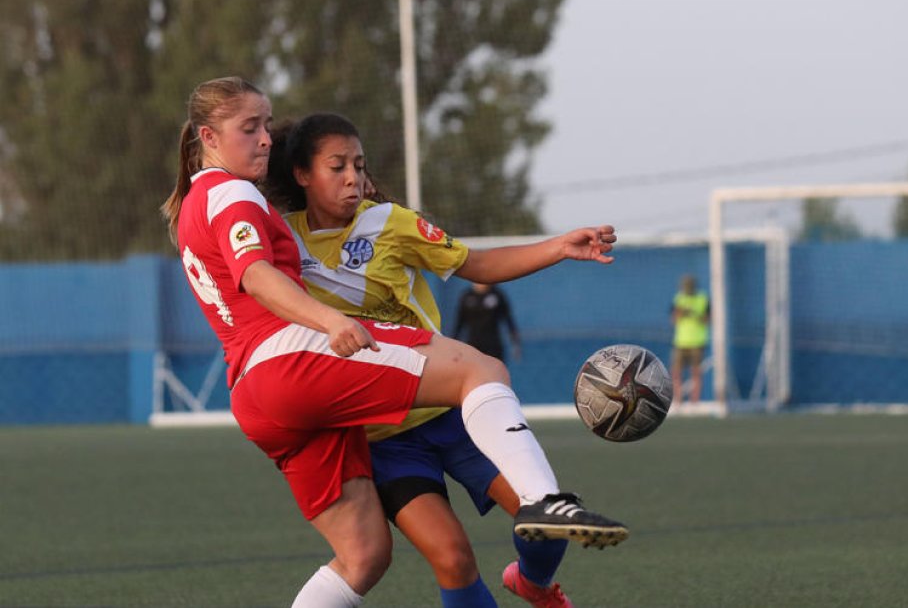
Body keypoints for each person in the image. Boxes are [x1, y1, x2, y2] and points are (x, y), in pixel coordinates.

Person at [162, 78, 627, 608]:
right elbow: (255, 274)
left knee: (364, 555)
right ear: (303, 175)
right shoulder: (245, 203)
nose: (352, 177)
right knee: (478, 391)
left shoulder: (382, 223)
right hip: (365, 419)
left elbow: (476, 264)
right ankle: (547, 500)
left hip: (373, 403)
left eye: (358, 165)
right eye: (336, 166)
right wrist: (328, 320)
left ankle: (535, 566)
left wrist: (557, 246)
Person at [454, 283, 521, 363]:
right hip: (473, 345)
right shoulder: (466, 296)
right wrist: (453, 347)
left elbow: (509, 321)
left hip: (493, 345)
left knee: (495, 372)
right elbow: (459, 324)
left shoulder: (497, 295)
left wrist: (516, 344)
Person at [670, 274, 710, 404]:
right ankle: (678, 399)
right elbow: (674, 320)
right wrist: (681, 313)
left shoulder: (702, 299)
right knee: (676, 372)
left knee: (696, 372)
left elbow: (708, 320)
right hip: (680, 341)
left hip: (697, 342)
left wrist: (694, 314)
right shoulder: (679, 299)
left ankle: (695, 401)